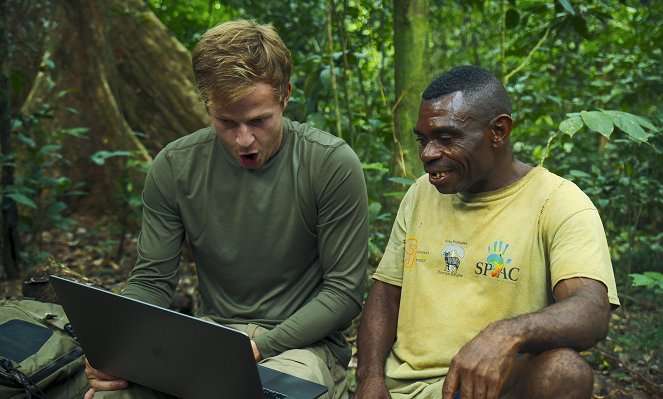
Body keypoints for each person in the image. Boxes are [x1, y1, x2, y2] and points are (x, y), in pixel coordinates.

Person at [84, 19, 368, 399]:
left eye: (259, 121)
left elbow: (344, 293)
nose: (244, 140)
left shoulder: (329, 163)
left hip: (302, 348)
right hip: (210, 339)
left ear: (285, 95)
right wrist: (118, 345)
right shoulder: (175, 165)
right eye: (226, 122)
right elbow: (152, 281)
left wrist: (259, 347)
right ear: (207, 106)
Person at [355, 65, 619, 399]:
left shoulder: (557, 202)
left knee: (563, 371)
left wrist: (508, 333)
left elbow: (592, 310)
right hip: (401, 389)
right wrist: (369, 378)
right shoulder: (420, 193)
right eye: (423, 140)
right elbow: (385, 295)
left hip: (484, 389)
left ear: (499, 131)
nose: (427, 154)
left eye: (446, 138)